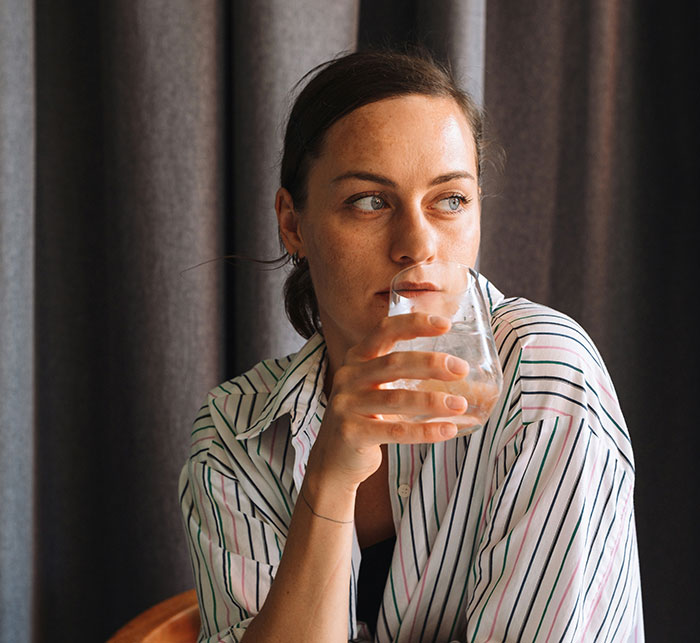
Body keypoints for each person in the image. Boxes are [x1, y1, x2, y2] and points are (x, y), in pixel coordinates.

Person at [178, 49, 644, 642]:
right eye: (370, 201)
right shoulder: (233, 435)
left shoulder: (544, 376)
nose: (417, 245)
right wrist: (327, 482)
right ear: (292, 223)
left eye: (449, 200)